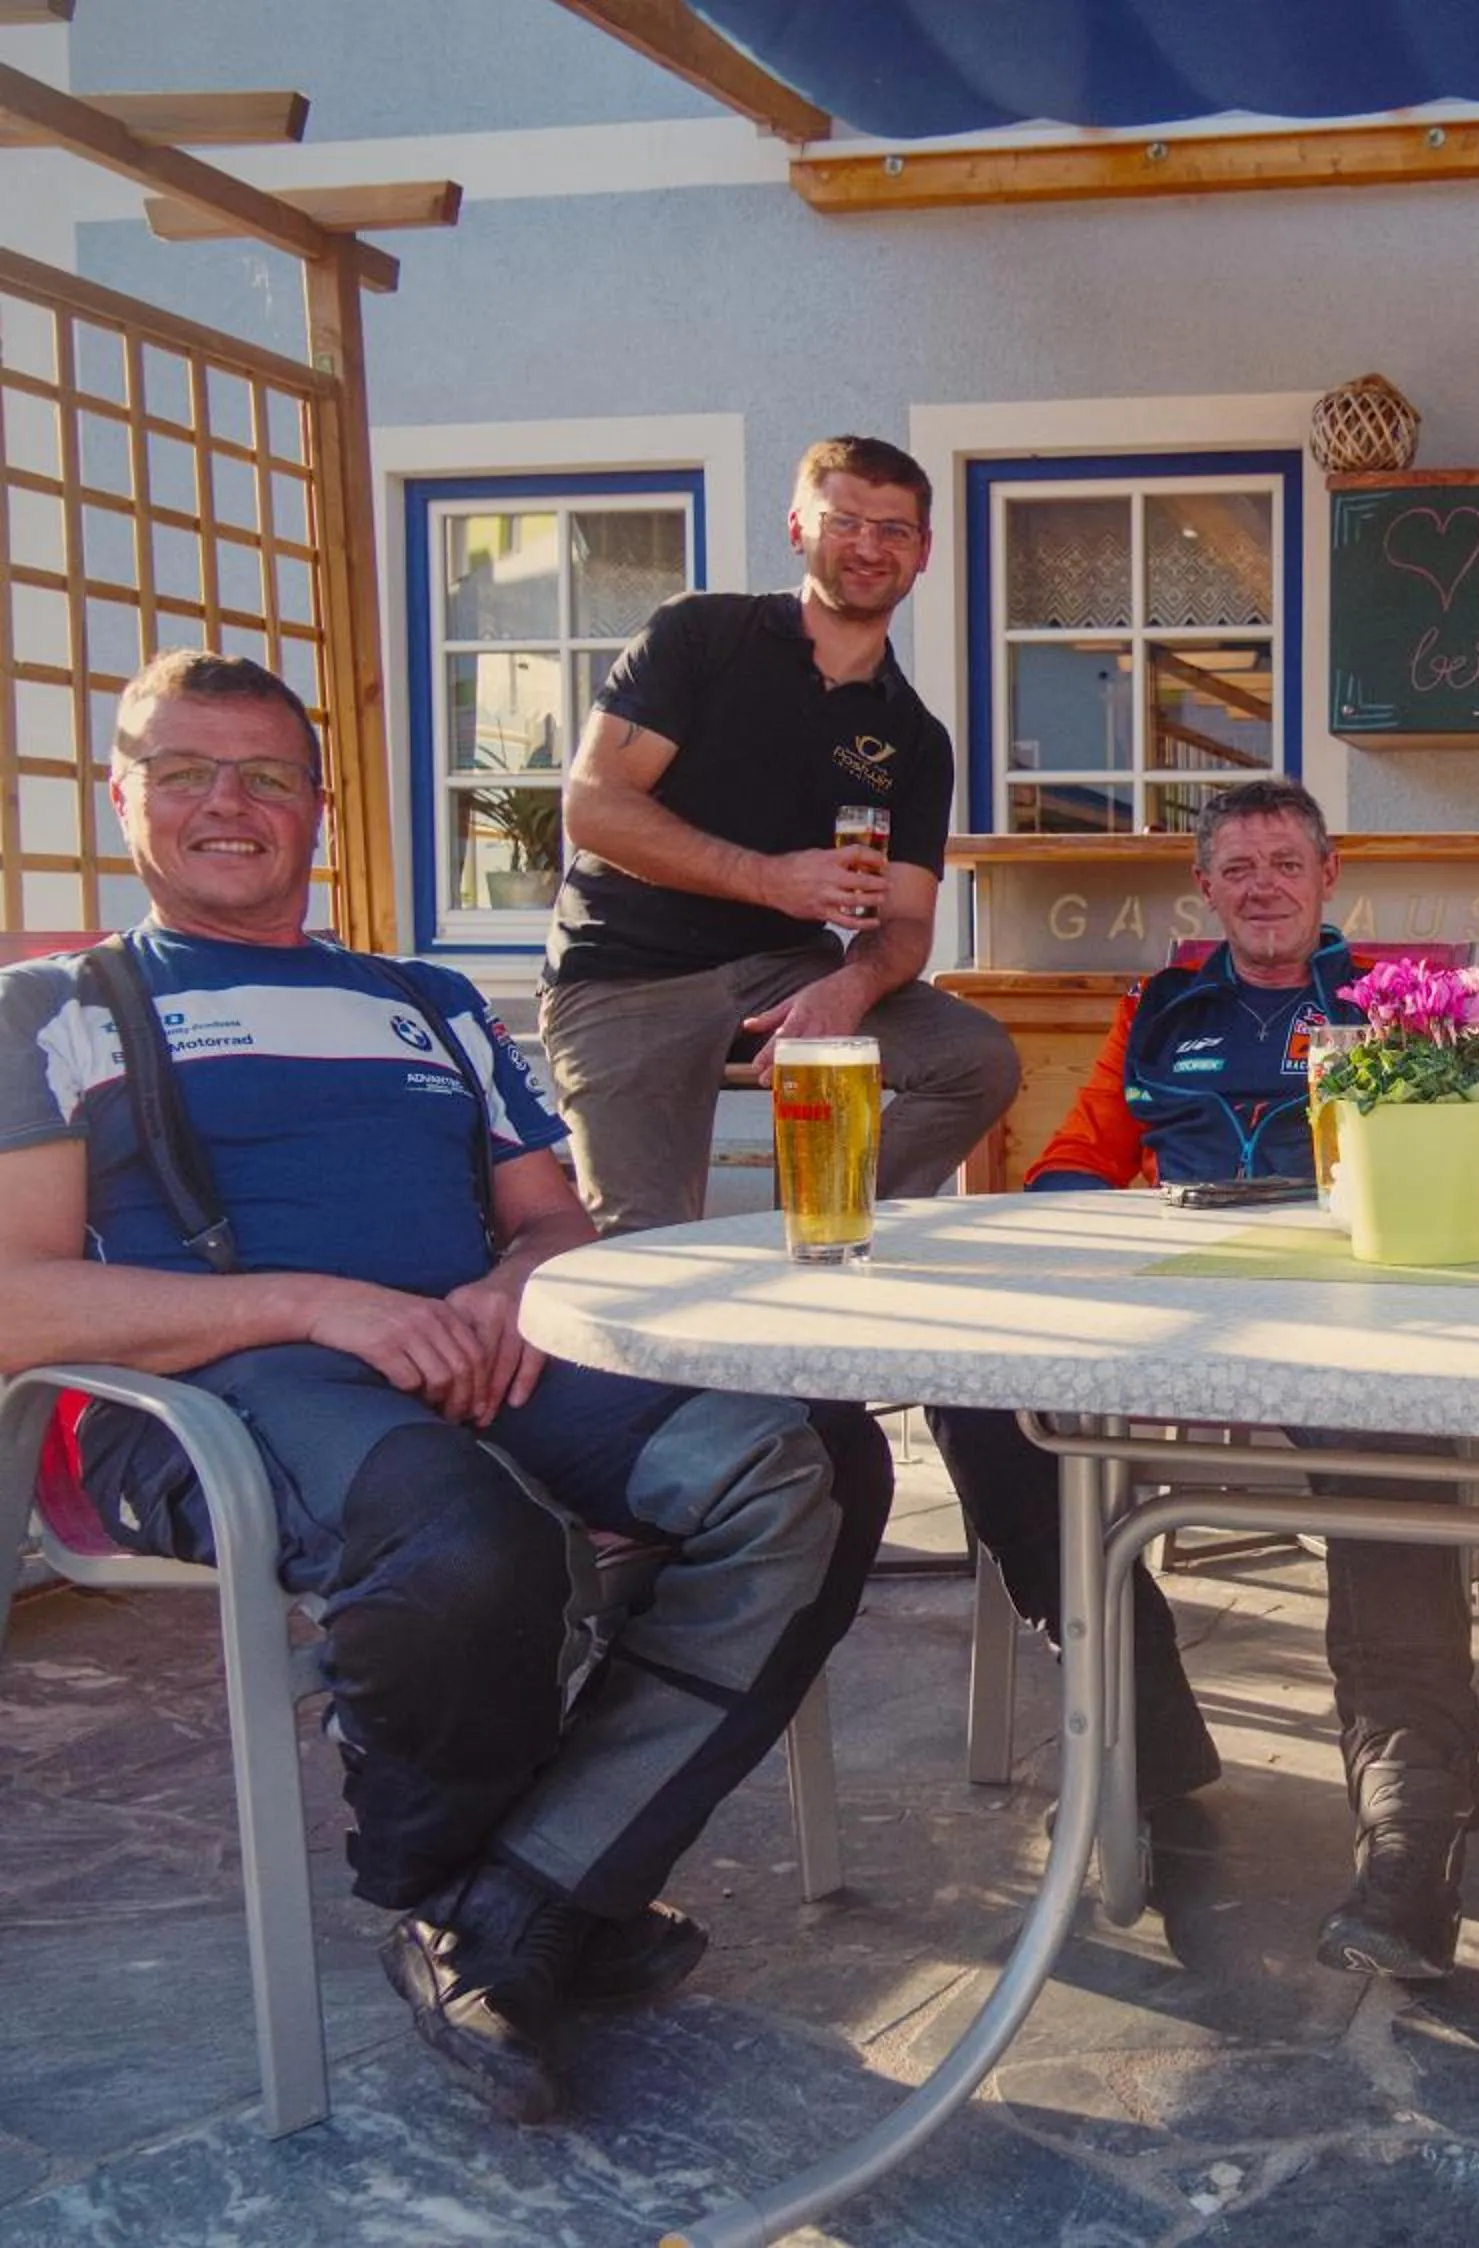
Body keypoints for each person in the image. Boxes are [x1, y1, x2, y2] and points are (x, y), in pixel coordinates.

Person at [0, 651, 886, 2125]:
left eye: (268, 775)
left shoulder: (425, 999)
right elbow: (18, 1295)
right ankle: (466, 1889)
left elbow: (550, 1215)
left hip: (470, 1354)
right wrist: (309, 1303)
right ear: (124, 797)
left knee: (805, 1457)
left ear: (320, 810)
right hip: (218, 1389)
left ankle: (521, 1898)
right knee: (459, 1539)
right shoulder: (53, 1009)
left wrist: (508, 1285)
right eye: (185, 772)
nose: (230, 803)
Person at [926, 780, 1479, 1980]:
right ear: (1206, 890)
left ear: (1330, 877)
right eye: (1237, 868)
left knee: (1385, 1439)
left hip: (1339, 1303)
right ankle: (1147, 1736)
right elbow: (1082, 1155)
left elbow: (1458, 1159)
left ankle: (1411, 1830)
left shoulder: (1398, 1006)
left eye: (1286, 862)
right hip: (1166, 1299)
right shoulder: (1163, 1005)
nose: (1264, 886)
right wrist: (1073, 1224)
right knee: (978, 1397)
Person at [539, 434, 1019, 1234]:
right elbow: (594, 808)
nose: (869, 546)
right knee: (646, 1252)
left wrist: (848, 986)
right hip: (624, 974)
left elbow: (904, 923)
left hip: (783, 973)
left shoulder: (912, 736)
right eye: (845, 521)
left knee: (975, 1061)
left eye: (894, 530)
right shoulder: (700, 636)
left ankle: (811, 1224)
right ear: (799, 527)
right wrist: (770, 880)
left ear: (924, 552)